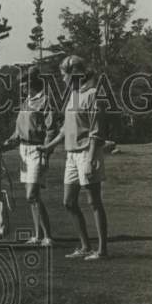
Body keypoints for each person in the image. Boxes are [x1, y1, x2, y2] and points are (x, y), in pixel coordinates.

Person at [37, 55, 109, 260]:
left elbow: (96, 130)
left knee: (94, 201)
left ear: (74, 73)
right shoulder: (73, 95)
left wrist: (92, 158)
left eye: (63, 74)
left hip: (87, 152)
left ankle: (102, 250)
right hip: (72, 154)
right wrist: (48, 146)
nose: (62, 78)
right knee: (69, 202)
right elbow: (66, 128)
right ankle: (85, 247)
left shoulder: (93, 94)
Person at [3, 66, 57, 245]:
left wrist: (47, 150)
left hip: (37, 150)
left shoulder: (45, 101)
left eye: (24, 84)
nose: (22, 88)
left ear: (32, 83)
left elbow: (51, 129)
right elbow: (18, 132)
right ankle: (38, 235)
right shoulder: (25, 103)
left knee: (31, 194)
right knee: (33, 198)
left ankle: (48, 236)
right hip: (24, 152)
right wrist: (4, 145)